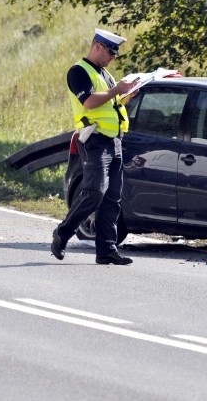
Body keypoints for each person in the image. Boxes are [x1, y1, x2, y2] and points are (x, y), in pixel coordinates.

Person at [51, 28, 140, 265]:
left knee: (112, 198)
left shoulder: (105, 74)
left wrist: (126, 95)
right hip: (95, 141)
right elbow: (89, 102)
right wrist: (115, 90)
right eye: (110, 52)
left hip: (114, 140)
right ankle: (63, 232)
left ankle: (107, 250)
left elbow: (111, 103)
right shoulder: (78, 71)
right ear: (97, 46)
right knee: (95, 193)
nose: (112, 58)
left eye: (115, 55)